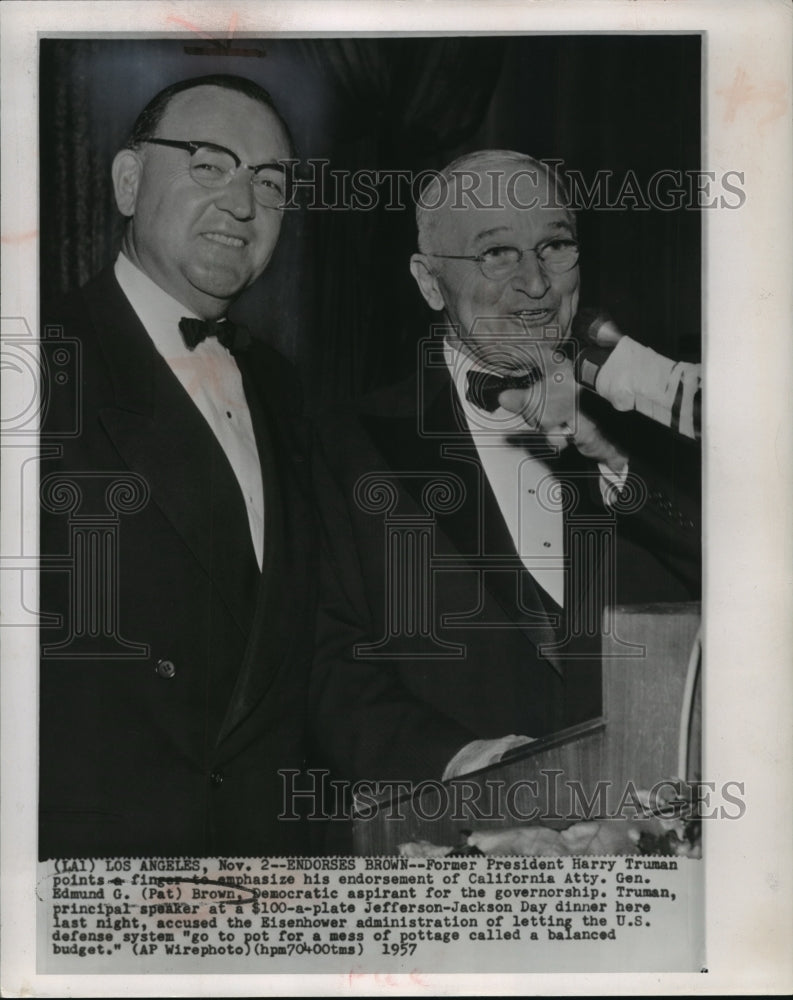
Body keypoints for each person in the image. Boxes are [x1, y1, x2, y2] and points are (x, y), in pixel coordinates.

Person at [310, 149, 700, 796]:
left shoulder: (647, 419)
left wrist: (615, 463)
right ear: (430, 282)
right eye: (496, 254)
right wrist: (459, 763)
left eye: (554, 245)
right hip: (448, 838)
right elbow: (323, 663)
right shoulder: (342, 442)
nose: (537, 283)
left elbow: (740, 596)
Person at [39, 75, 315, 858]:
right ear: (128, 181)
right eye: (207, 164)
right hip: (81, 880)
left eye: (269, 182)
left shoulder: (284, 387)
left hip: (263, 877)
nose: (242, 203)